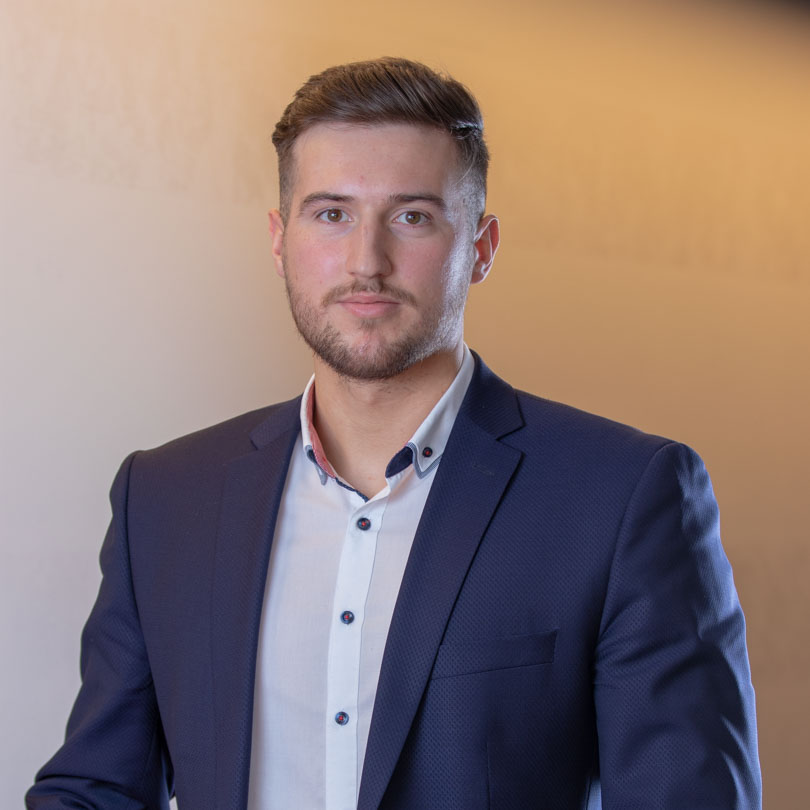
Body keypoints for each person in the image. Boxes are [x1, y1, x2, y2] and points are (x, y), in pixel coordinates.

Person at [26, 57, 761, 809]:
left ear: (481, 247)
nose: (366, 263)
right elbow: (97, 789)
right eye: (331, 214)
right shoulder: (165, 498)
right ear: (279, 240)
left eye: (412, 216)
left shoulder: (622, 498)